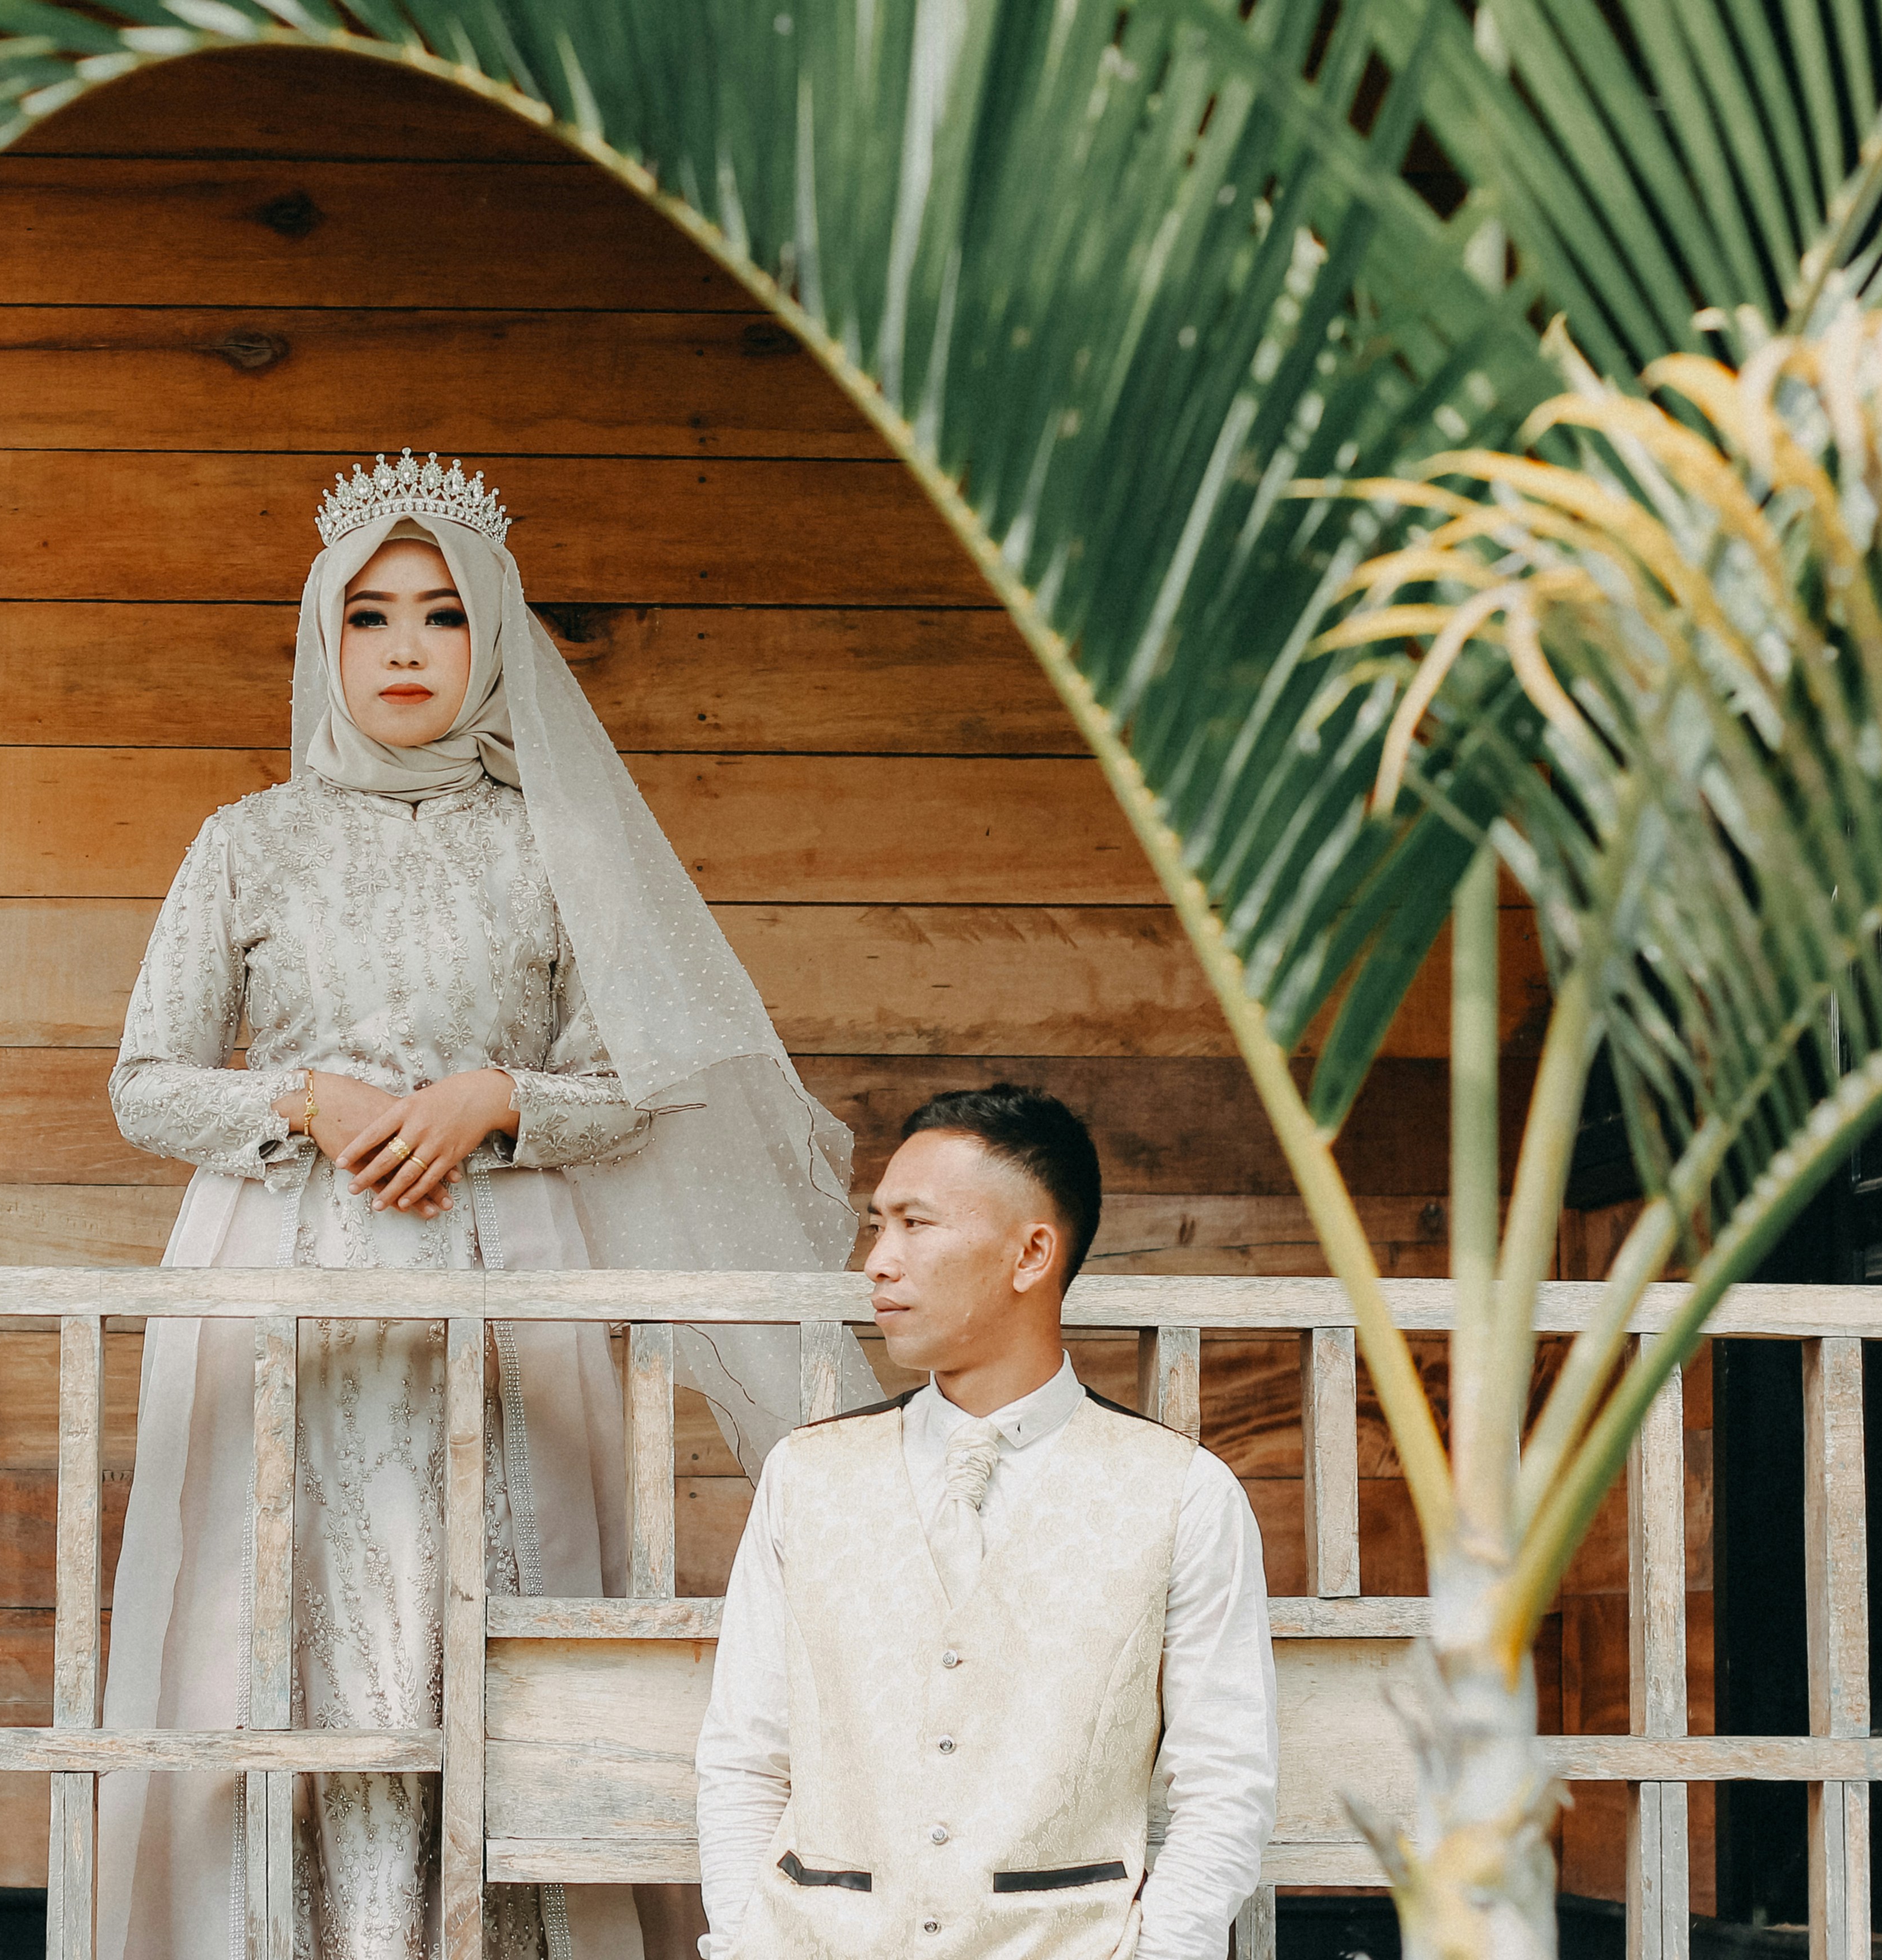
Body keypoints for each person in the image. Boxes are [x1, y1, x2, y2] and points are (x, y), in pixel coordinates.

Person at [98, 451, 876, 1960]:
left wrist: (498, 1100)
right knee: (277, 1645)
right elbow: (147, 1083)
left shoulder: (551, 847)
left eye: (443, 616)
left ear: (494, 642)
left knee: (492, 1641)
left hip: (506, 1281)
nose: (403, 649)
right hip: (284, 1283)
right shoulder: (245, 842)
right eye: (369, 616)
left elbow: (642, 1083)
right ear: (324, 640)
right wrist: (304, 1103)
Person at [693, 1083, 1278, 1960]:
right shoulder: (804, 1477)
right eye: (876, 1225)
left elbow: (1225, 1782)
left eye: (915, 1225)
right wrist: (744, 1944)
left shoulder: (1184, 1494)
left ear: (1031, 1253)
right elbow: (745, 1756)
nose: (878, 1262)